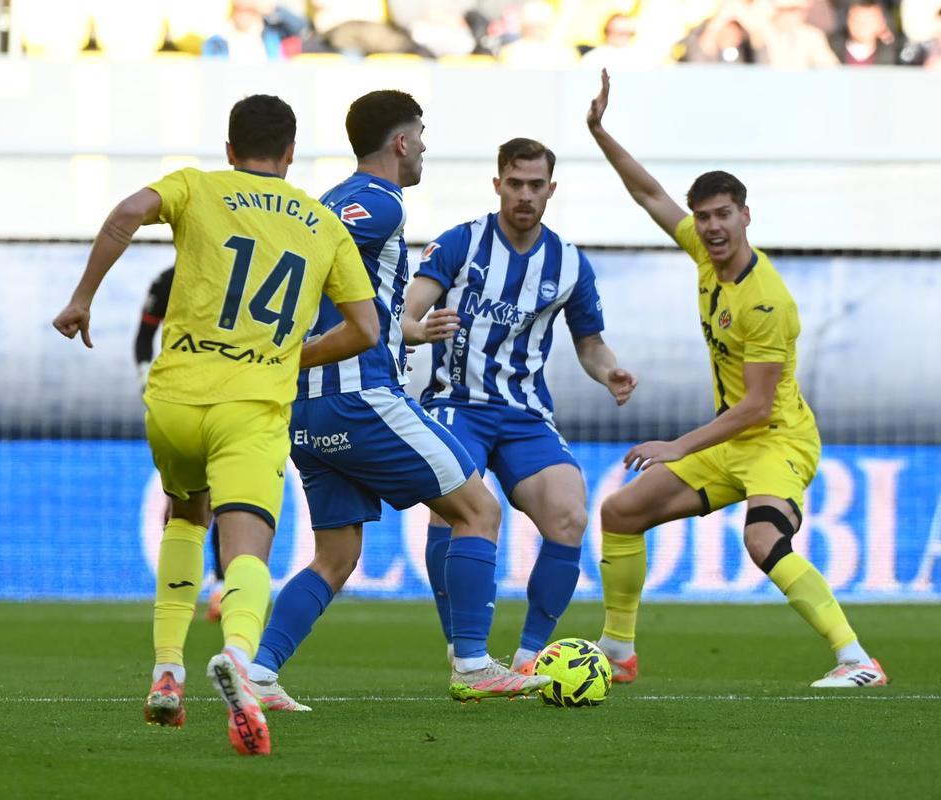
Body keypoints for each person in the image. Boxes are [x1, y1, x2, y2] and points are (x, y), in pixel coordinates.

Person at [53, 94, 380, 755]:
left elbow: (126, 215)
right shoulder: (322, 224)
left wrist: (82, 298)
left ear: (230, 150)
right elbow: (366, 330)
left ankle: (166, 670)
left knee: (185, 513)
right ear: (291, 153)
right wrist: (291, 354)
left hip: (172, 402)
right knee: (246, 551)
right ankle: (236, 654)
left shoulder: (196, 186)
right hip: (250, 409)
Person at [245, 90, 551, 713]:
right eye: (422, 136)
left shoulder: (332, 201)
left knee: (337, 554)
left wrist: (401, 330)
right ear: (402, 142)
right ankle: (472, 662)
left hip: (305, 406)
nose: (425, 149)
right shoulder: (375, 202)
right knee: (478, 510)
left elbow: (325, 282)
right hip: (357, 395)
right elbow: (318, 242)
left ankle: (259, 670)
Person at [585, 70, 887, 689]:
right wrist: (600, 133)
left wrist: (676, 445)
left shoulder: (765, 301)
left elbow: (754, 407)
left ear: (746, 215)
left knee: (762, 539)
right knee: (620, 513)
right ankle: (618, 650)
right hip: (731, 442)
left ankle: (856, 660)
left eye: (724, 214)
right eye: (704, 216)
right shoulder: (704, 251)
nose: (713, 227)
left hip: (776, 439)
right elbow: (649, 195)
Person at [400, 137, 637, 676]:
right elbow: (409, 308)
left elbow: (590, 343)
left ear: (551, 190)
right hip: (456, 404)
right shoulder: (460, 243)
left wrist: (610, 371)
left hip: (526, 413)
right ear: (498, 184)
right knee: (456, 511)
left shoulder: (569, 264)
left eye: (536, 185)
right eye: (515, 184)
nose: (525, 195)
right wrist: (416, 329)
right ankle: (462, 646)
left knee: (571, 516)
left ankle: (530, 659)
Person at [134, 265, 226, 623]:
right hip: (176, 399)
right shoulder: (168, 280)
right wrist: (146, 379)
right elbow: (143, 337)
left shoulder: (233, 273)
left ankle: (220, 586)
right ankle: (185, 590)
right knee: (184, 506)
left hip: (225, 397)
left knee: (223, 500)